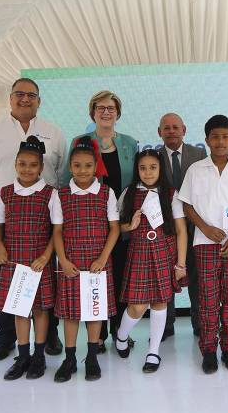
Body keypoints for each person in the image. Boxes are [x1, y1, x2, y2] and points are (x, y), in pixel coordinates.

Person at [0, 77, 65, 362]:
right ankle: (8, 337)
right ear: (10, 98)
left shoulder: (53, 132)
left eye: (31, 95)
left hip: (43, 209)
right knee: (5, 273)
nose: (25, 99)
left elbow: (59, 174)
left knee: (46, 273)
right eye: (19, 94)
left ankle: (51, 334)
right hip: (2, 208)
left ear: (39, 100)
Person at [179, 115, 228, 374]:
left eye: (225, 136)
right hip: (204, 242)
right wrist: (204, 227)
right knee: (208, 298)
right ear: (207, 140)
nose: (221, 141)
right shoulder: (195, 169)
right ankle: (209, 350)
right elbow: (187, 204)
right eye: (215, 137)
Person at [66, 90, 138, 353]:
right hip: (88, 227)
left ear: (118, 113)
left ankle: (120, 334)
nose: (106, 112)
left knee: (120, 278)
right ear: (92, 112)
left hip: (122, 226)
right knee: (93, 280)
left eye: (111, 108)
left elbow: (135, 184)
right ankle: (95, 338)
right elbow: (67, 182)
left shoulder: (130, 143)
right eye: (100, 108)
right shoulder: (80, 141)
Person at [51, 136, 120, 382]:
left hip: (97, 263)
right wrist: (63, 260)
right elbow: (57, 231)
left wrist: (103, 258)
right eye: (77, 165)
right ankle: (69, 359)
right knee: (70, 313)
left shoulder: (106, 193)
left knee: (94, 310)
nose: (83, 170)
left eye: (88, 166)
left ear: (95, 167)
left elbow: (114, 228)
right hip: (71, 262)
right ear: (70, 167)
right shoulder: (61, 195)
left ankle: (91, 357)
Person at [114, 149, 188, 372]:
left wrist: (181, 264)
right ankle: (121, 336)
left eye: (153, 167)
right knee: (136, 306)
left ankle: (153, 351)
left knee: (160, 302)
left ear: (160, 169)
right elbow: (116, 226)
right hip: (139, 254)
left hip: (165, 254)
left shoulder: (170, 193)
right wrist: (130, 226)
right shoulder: (129, 193)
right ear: (137, 170)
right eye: (143, 168)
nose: (148, 172)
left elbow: (181, 231)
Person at [0, 136, 55, 380]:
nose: (27, 169)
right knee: (20, 309)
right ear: (16, 164)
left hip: (39, 261)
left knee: (39, 309)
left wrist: (47, 256)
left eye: (32, 165)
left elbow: (56, 230)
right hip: (13, 260)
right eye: (22, 164)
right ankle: (23, 355)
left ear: (40, 168)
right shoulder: (6, 193)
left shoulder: (50, 194)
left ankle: (39, 356)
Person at [157, 112, 206, 338]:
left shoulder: (199, 154)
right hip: (165, 230)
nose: (171, 131)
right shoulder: (153, 157)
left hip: (195, 226)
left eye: (176, 127)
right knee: (167, 278)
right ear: (159, 133)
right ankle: (166, 326)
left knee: (197, 278)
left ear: (184, 130)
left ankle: (199, 323)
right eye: (166, 128)